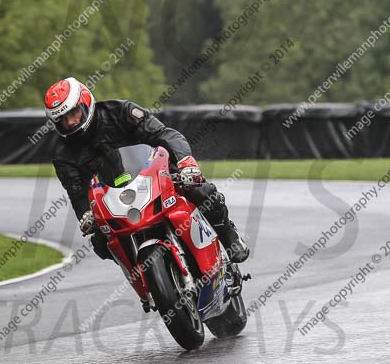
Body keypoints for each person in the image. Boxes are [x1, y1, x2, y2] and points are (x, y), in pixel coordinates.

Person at [44, 76, 250, 266]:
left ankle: (229, 237)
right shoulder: (63, 156)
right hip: (115, 199)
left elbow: (165, 135)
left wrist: (186, 162)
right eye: (63, 119)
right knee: (101, 242)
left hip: (156, 176)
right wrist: (86, 216)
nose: (70, 122)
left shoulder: (121, 112)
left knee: (200, 189)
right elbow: (77, 192)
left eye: (73, 113)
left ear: (85, 103)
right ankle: (143, 282)